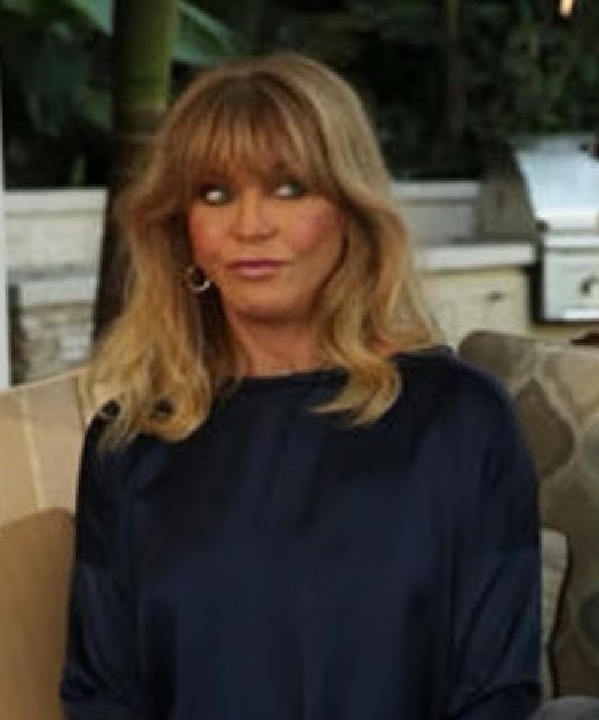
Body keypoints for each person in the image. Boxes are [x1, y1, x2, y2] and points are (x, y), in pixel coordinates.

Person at [60, 53, 541, 720]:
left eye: (289, 189)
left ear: (350, 210)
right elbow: (102, 697)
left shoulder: (459, 420)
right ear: (181, 231)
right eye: (215, 194)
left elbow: (496, 691)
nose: (250, 226)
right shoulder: (129, 444)